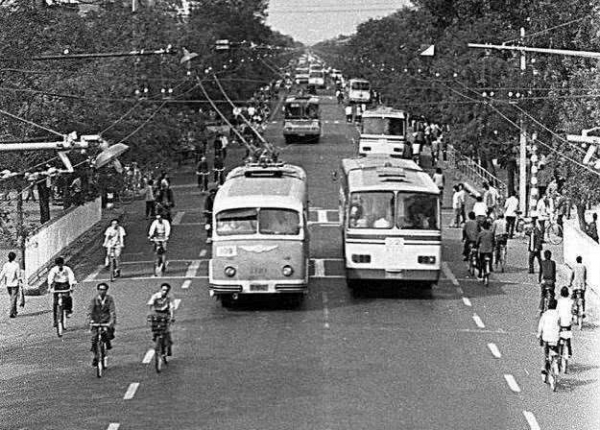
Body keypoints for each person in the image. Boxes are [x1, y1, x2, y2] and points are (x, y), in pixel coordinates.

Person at [88, 283, 116, 367]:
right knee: (94, 339)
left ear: (106, 290)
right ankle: (96, 356)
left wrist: (111, 322)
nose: (102, 291)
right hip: (96, 321)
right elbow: (90, 312)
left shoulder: (110, 299)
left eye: (103, 289)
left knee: (107, 334)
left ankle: (107, 344)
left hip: (106, 321)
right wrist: (91, 321)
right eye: (100, 289)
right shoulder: (94, 300)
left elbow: (112, 312)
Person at [148, 282, 175, 356]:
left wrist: (172, 317)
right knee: (155, 327)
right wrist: (150, 313)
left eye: (166, 290)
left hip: (165, 313)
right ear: (160, 290)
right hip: (156, 313)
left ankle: (168, 346)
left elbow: (171, 308)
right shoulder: (155, 296)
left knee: (166, 330)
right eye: (163, 290)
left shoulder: (169, 298)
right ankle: (155, 337)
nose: (165, 292)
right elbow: (150, 304)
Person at [47, 257, 76, 326]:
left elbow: (71, 277)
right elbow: (50, 278)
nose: (59, 266)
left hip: (66, 285)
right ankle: (55, 321)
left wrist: (71, 286)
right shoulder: (54, 270)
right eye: (58, 264)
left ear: (63, 263)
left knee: (67, 298)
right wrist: (49, 287)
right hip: (57, 285)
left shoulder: (67, 269)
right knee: (55, 303)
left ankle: (68, 310)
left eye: (61, 264)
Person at [537, 298, 560, 380]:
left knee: (545, 355)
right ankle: (557, 361)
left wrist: (539, 334)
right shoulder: (558, 314)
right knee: (557, 351)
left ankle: (544, 370)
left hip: (546, 338)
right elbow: (560, 325)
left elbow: (541, 326)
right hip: (555, 338)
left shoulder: (545, 314)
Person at [0, 252, 22, 318]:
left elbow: (2, 273)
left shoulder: (6, 265)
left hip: (8, 284)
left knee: (12, 298)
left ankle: (14, 311)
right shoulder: (16, 265)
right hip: (15, 283)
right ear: (14, 257)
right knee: (14, 298)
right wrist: (20, 282)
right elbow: (18, 275)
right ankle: (11, 312)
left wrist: (0, 280)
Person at [556, 286, 573, 357]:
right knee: (568, 337)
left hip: (561, 322)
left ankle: (557, 351)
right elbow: (573, 311)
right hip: (568, 322)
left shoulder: (559, 301)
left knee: (558, 336)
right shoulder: (571, 301)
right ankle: (569, 352)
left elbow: (557, 312)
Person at [539, 250, 557, 314]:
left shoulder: (542, 262)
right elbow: (554, 272)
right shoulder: (553, 263)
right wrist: (554, 279)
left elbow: (540, 272)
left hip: (544, 281)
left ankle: (541, 308)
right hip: (551, 281)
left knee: (542, 295)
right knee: (552, 294)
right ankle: (551, 305)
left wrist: (539, 280)